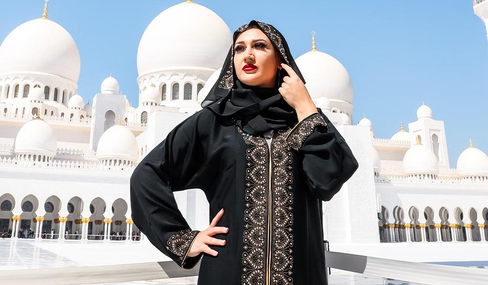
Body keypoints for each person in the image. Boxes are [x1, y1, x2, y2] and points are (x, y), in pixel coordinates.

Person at [130, 20, 359, 285]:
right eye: (239, 49)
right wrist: (183, 239)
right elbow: (147, 175)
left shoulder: (304, 120)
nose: (247, 54)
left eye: (259, 46)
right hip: (227, 273)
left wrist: (306, 106)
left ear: (280, 61)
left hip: (302, 275)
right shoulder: (215, 122)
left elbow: (328, 180)